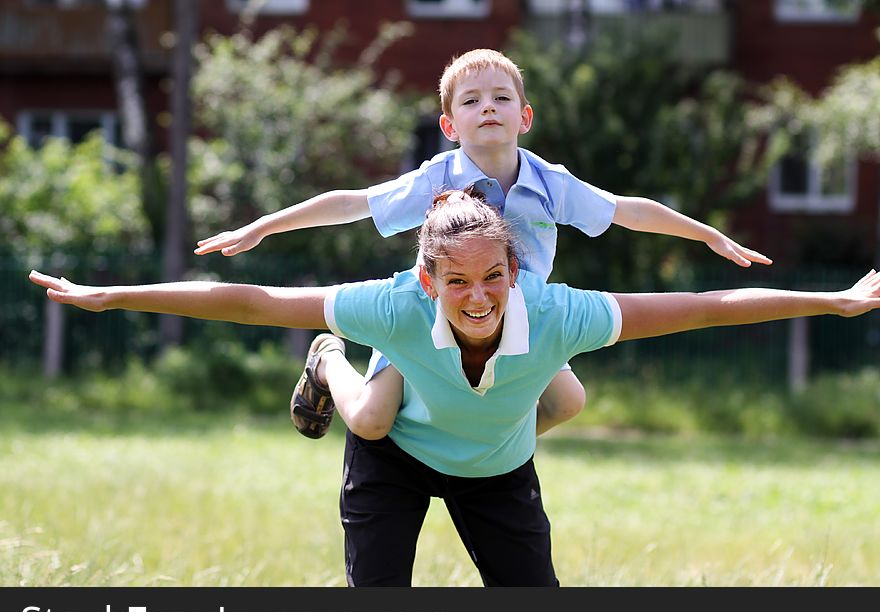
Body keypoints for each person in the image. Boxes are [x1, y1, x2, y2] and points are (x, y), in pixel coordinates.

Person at [29, 190, 880, 587]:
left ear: (516, 270)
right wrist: (113, 294)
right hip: (396, 459)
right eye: (458, 281)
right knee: (373, 502)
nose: (477, 295)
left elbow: (703, 308)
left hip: (497, 472)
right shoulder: (396, 305)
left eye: (493, 278)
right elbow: (250, 299)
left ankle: (429, 396)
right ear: (429, 281)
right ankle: (331, 358)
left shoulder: (558, 313)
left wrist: (832, 301)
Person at [193, 48, 772, 440]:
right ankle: (327, 361)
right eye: (470, 102)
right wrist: (261, 226)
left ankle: (474, 445)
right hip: (432, 316)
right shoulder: (435, 179)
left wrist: (708, 234)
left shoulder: (553, 184)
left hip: (518, 321)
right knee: (371, 422)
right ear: (450, 126)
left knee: (568, 402)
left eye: (499, 98)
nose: (486, 107)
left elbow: (628, 212)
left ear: (523, 116)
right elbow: (351, 202)